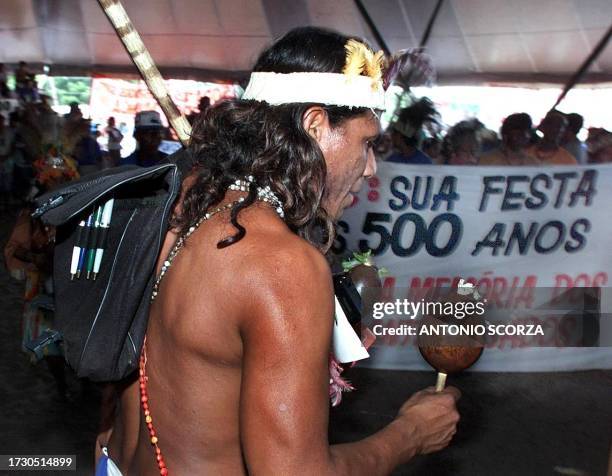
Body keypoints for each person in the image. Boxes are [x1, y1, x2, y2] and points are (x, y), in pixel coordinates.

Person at [97, 27, 460, 475]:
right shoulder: (282, 264)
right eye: (367, 143)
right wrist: (410, 435)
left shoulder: (180, 200)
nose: (370, 168)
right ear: (314, 125)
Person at [386, 98, 438, 165]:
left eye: (394, 134)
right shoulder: (425, 161)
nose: (391, 137)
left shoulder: (392, 160)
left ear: (400, 137)